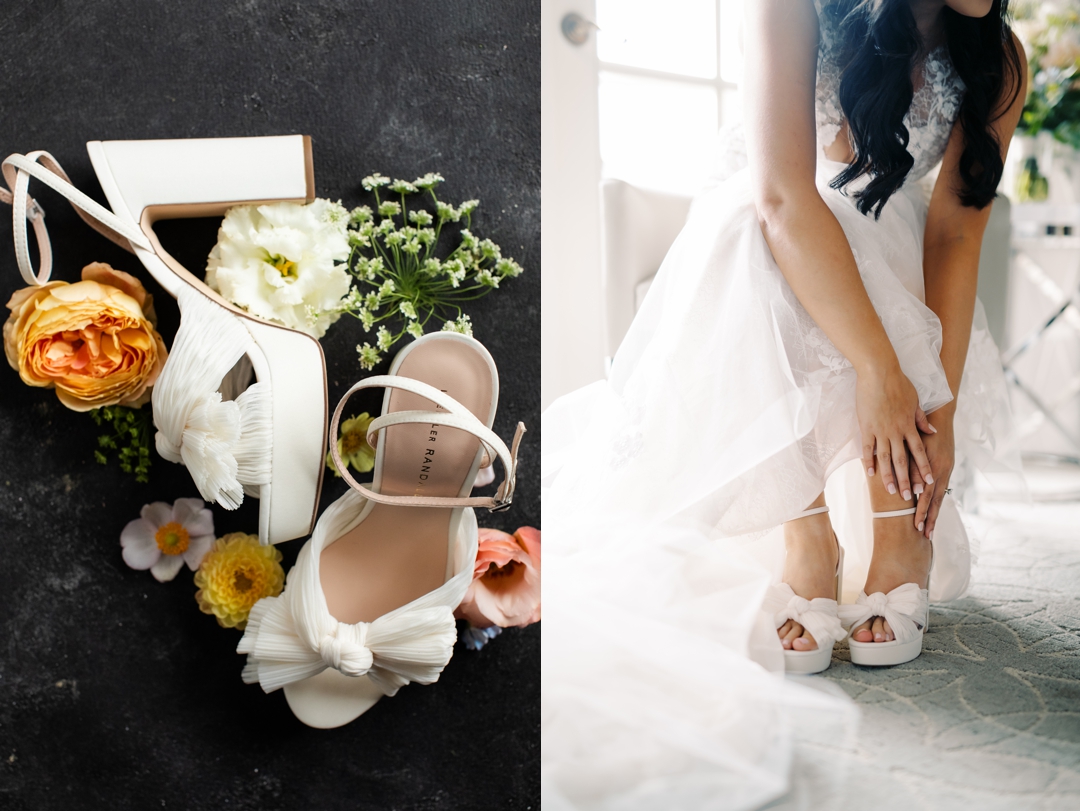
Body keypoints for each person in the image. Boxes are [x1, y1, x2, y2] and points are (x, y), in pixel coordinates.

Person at [542, 0, 1026, 805]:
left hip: (896, 256)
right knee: (769, 229)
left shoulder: (997, 58)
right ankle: (809, 541)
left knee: (870, 234)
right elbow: (779, 197)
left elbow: (956, 235)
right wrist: (878, 370)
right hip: (764, 238)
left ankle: (898, 534)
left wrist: (931, 406)